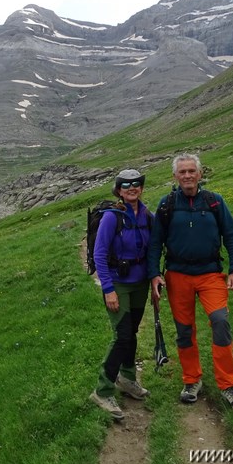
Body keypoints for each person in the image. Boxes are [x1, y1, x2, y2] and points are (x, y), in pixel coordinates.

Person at [147, 153, 233, 408]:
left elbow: (232, 237)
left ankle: (229, 385)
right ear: (175, 176)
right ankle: (192, 380)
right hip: (177, 276)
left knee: (220, 321)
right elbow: (155, 243)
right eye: (182, 172)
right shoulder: (167, 204)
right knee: (184, 331)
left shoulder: (214, 202)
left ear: (200, 174)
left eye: (192, 171)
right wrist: (154, 274)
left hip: (210, 274)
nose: (188, 176)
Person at [89, 168, 153, 420]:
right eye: (126, 185)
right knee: (122, 335)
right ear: (118, 189)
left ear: (141, 187)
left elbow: (155, 245)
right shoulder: (111, 218)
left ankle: (127, 378)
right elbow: (100, 254)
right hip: (118, 284)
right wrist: (108, 289)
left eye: (136, 184)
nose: (131, 188)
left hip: (140, 283)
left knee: (132, 333)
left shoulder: (147, 215)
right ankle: (102, 390)